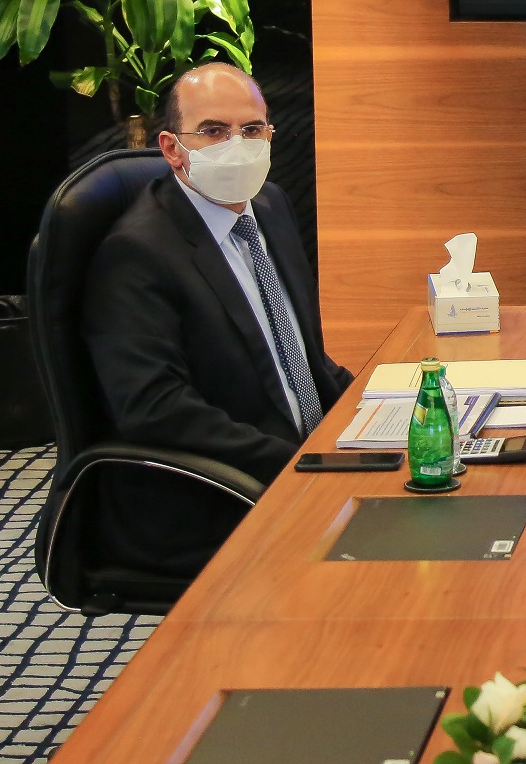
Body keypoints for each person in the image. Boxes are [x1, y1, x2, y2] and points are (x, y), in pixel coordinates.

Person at [82, 63, 348, 574]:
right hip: (222, 493)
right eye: (213, 131)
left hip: (303, 463)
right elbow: (155, 409)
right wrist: (299, 466)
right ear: (171, 148)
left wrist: (376, 417)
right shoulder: (137, 255)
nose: (237, 146)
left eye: (252, 130)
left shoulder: (268, 206)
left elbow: (300, 358)